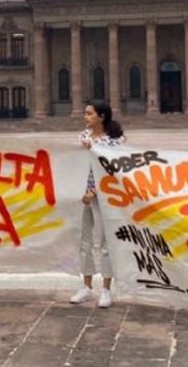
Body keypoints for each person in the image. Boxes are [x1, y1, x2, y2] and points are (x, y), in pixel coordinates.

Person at [70, 101, 125, 308]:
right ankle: (86, 286)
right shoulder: (82, 138)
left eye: (89, 113)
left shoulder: (114, 141)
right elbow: (75, 164)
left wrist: (95, 190)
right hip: (81, 195)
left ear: (101, 116)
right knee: (83, 242)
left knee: (104, 243)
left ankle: (106, 289)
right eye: (85, 113)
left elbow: (114, 169)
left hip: (104, 196)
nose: (85, 117)